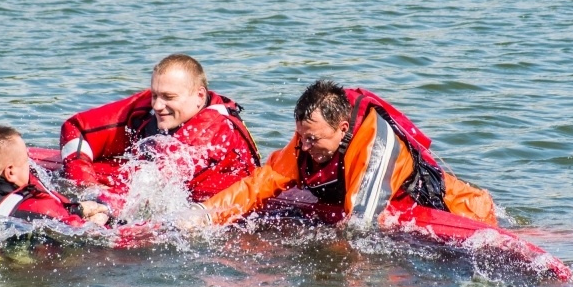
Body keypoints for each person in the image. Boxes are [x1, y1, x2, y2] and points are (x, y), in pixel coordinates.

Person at [191, 79, 498, 227]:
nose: (305, 147)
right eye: (301, 137)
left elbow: (361, 227)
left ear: (341, 128)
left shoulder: (377, 145)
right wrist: (204, 216)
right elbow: (260, 183)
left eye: (312, 139)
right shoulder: (307, 138)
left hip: (463, 212)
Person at [59, 54, 261, 203]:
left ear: (200, 95)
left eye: (168, 97)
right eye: (155, 94)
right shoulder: (147, 106)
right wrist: (86, 185)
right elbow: (76, 127)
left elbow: (149, 189)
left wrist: (97, 204)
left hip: (219, 212)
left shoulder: (212, 129)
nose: (156, 105)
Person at [0, 125, 110, 226]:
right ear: (10, 172)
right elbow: (83, 232)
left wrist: (81, 208)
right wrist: (102, 216)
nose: (30, 166)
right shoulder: (39, 208)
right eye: (26, 161)